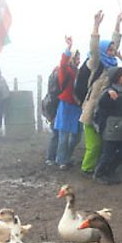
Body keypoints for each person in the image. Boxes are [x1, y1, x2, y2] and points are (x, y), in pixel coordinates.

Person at [79, 11, 122, 173]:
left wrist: (118, 23)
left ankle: (98, 168)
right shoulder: (97, 63)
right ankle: (86, 169)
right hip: (91, 110)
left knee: (104, 142)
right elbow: (94, 49)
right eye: (110, 50)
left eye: (113, 50)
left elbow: (115, 43)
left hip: (105, 110)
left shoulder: (112, 66)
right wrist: (96, 25)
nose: (113, 52)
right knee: (94, 145)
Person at [93, 66, 122, 184]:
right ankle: (99, 173)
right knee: (108, 153)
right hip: (112, 127)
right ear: (116, 78)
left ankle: (109, 171)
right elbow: (101, 106)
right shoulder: (109, 91)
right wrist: (107, 92)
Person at [53, 37, 82, 169]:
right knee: (63, 136)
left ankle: (67, 157)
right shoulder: (65, 71)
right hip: (66, 105)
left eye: (78, 58)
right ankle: (61, 160)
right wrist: (68, 49)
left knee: (76, 137)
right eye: (76, 58)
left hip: (76, 106)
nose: (78, 60)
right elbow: (63, 64)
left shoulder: (78, 71)